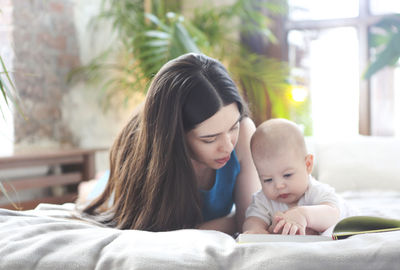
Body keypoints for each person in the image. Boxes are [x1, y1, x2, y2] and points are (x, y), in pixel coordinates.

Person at [80, 53, 260, 235]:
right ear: (176, 135)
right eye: (209, 139)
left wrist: (237, 222)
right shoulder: (145, 153)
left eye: (233, 127)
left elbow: (249, 220)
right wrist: (229, 223)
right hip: (115, 188)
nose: (228, 146)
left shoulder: (245, 132)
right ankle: (91, 184)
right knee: (93, 194)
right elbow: (155, 232)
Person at [243, 118, 345, 235]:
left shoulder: (317, 191)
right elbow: (252, 220)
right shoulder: (263, 200)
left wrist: (304, 215)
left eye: (287, 175)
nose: (279, 185)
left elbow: (333, 214)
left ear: (307, 165)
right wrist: (256, 230)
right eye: (268, 180)